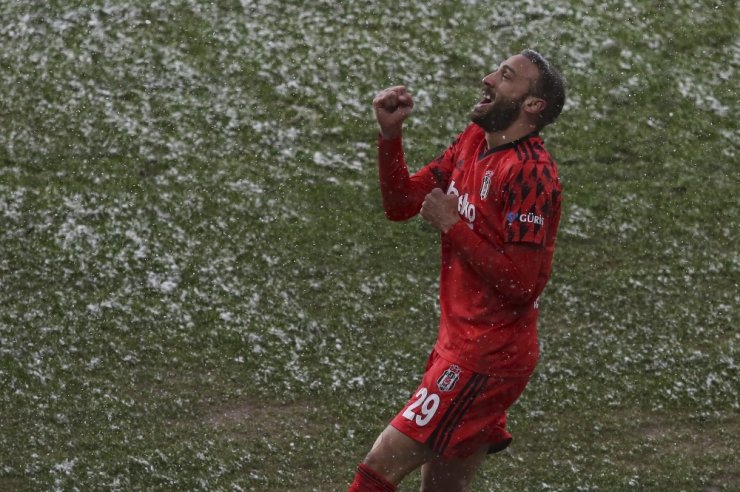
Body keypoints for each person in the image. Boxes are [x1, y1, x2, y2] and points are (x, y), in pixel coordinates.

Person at [348, 49, 567, 492]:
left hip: (486, 358)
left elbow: (522, 286)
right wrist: (390, 136)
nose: (487, 79)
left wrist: (454, 226)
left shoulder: (530, 176)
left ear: (532, 106)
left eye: (505, 77)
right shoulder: (473, 141)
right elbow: (402, 205)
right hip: (460, 344)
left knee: (378, 469)